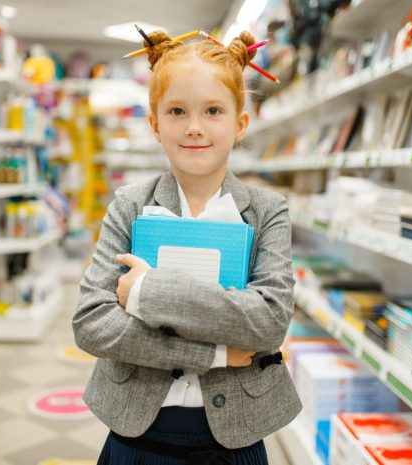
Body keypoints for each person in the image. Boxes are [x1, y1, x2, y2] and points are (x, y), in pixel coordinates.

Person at [72, 29, 302, 465]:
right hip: (136, 434)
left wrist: (146, 292)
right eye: (177, 111)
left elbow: (269, 322)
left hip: (235, 438)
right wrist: (212, 352)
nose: (195, 127)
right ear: (156, 123)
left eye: (213, 110)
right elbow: (92, 323)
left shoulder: (268, 211)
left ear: (239, 124)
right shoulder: (129, 204)